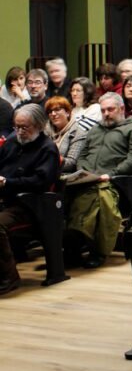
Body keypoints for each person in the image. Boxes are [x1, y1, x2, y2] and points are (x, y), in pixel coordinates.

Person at [67, 92, 132, 268]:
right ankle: (70, 243)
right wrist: (83, 171)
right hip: (87, 178)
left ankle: (97, 250)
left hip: (115, 181)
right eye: (103, 110)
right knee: (59, 191)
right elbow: (82, 155)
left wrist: (111, 174)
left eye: (110, 109)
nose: (106, 114)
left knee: (99, 196)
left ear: (122, 109)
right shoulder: (95, 130)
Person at [0, 104, 59, 294]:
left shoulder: (47, 149)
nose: (19, 131)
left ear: (40, 125)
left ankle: (9, 276)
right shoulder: (11, 142)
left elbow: (40, 183)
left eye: (24, 127)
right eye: (16, 126)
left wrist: (8, 182)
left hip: (29, 205)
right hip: (5, 198)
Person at [45, 96, 87, 172]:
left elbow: (71, 164)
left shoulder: (78, 133)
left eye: (57, 110)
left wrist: (47, 161)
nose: (53, 114)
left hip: (63, 176)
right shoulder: (45, 131)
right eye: (50, 111)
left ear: (67, 113)